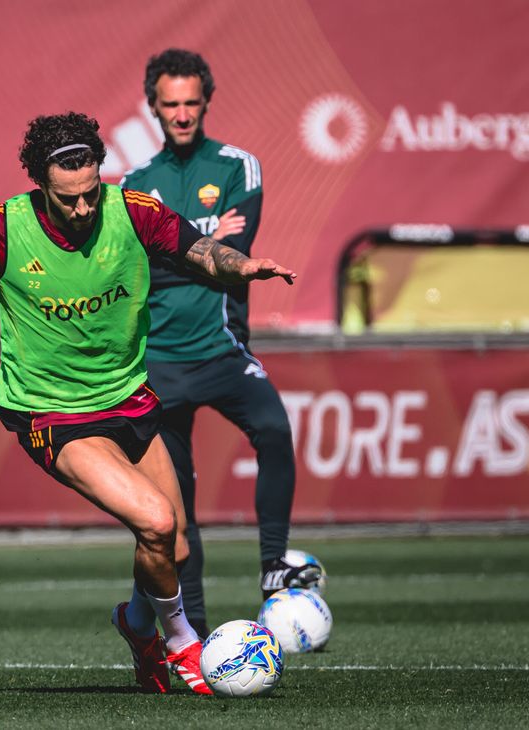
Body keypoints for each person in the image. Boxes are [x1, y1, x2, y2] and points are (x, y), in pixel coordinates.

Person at [0, 112, 295, 695]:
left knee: (173, 545)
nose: (82, 209)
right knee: (155, 521)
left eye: (88, 194)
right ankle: (182, 643)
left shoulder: (132, 211)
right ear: (39, 184)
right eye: (67, 200)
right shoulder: (3, 226)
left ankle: (136, 624)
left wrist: (243, 266)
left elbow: (201, 250)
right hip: (51, 413)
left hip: (128, 400)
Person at [121, 49, 319, 640]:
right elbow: (160, 265)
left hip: (224, 350)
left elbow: (234, 263)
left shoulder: (239, 165)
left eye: (191, 102)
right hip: (159, 362)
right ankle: (199, 633)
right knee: (178, 508)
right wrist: (205, 244)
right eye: (170, 103)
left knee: (275, 430)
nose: (181, 114)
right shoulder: (133, 183)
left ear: (205, 102)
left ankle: (273, 567)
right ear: (153, 107)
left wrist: (179, 249)